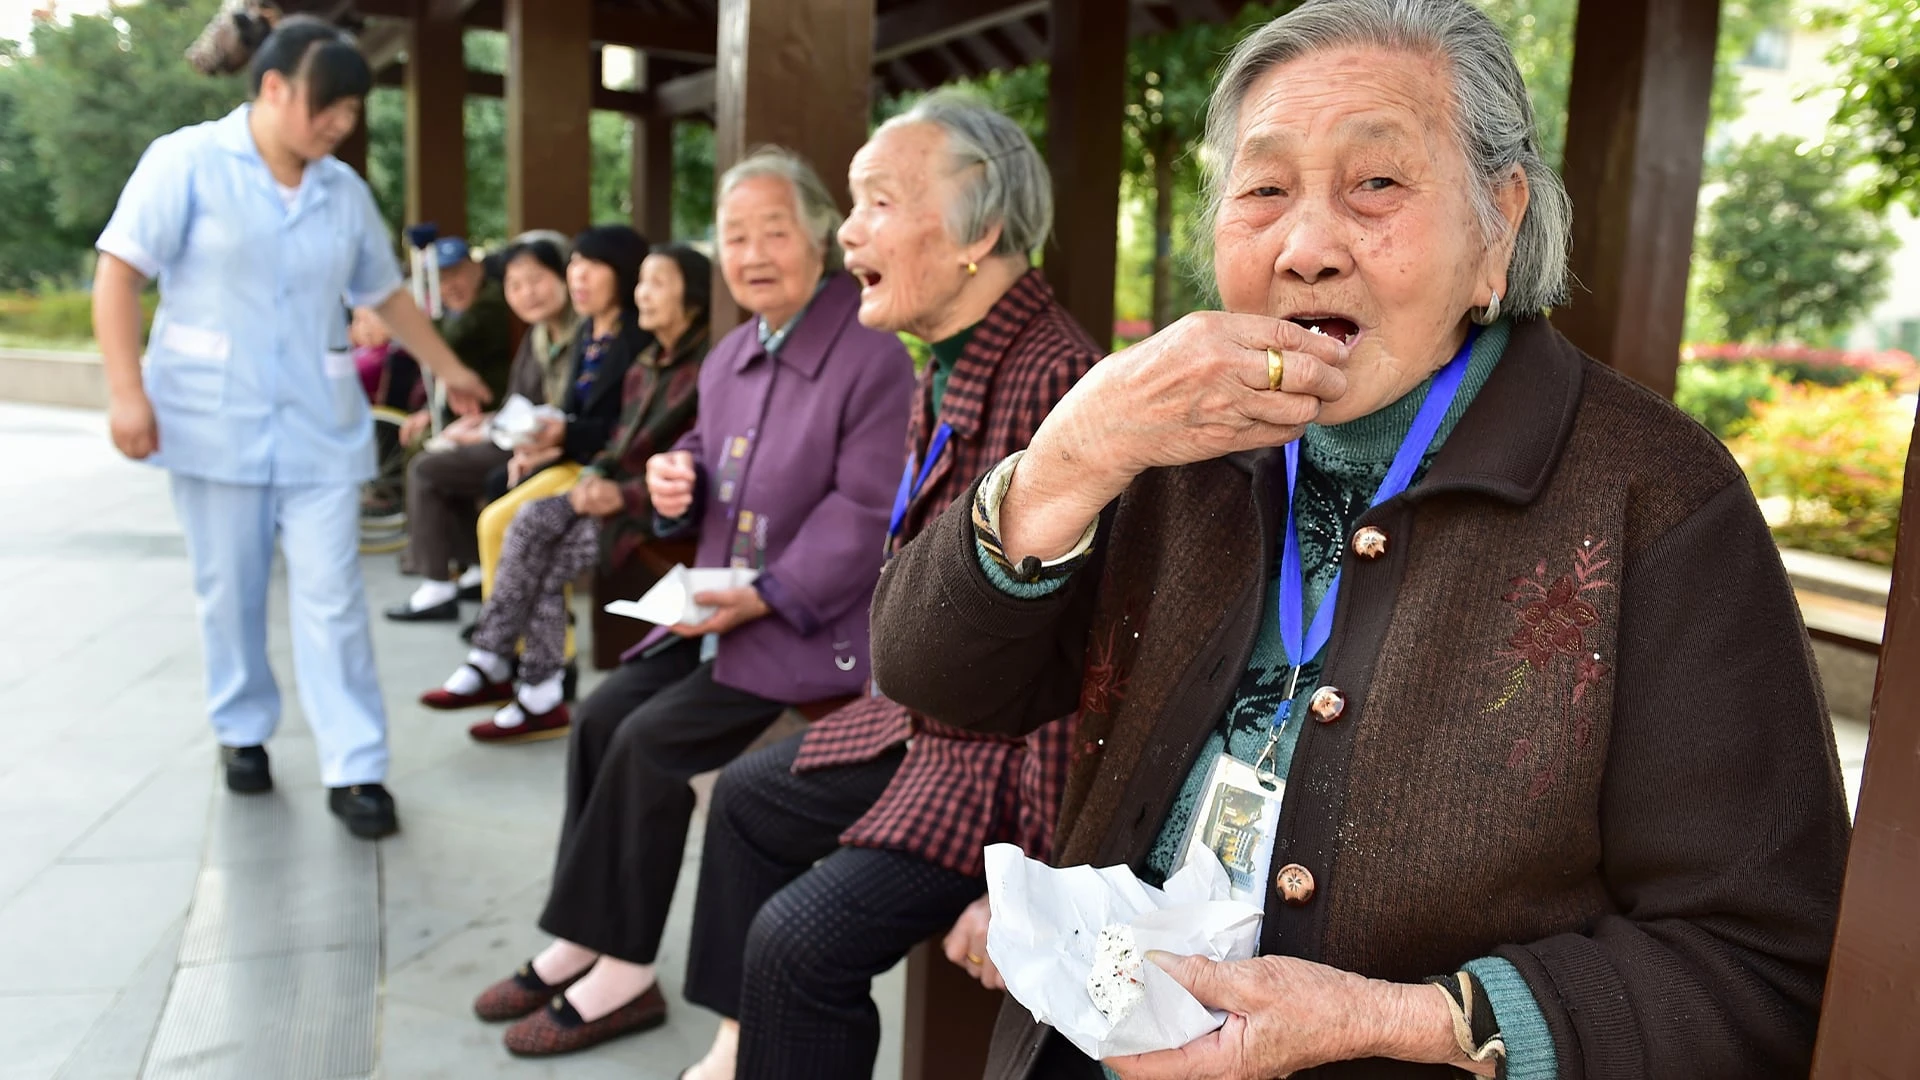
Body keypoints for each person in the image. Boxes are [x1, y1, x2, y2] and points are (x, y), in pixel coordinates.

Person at [869, 2, 1853, 1078]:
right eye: (1263, 189)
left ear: (1500, 222)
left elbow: (1759, 964)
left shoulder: (1654, 496)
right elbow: (937, 680)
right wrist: (1066, 463)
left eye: (1376, 186)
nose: (1305, 248)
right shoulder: (1173, 447)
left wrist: (1409, 1022)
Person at [675, 95, 1099, 1080]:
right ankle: (740, 1047)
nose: (846, 231)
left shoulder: (1058, 381)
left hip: (1003, 761)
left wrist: (1039, 877)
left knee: (796, 944)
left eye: (876, 202)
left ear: (978, 233)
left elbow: (1081, 661)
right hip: (920, 718)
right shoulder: (945, 367)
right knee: (742, 799)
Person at [469, 146, 915, 1058]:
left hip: (808, 628)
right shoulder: (730, 355)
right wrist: (680, 479)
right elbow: (711, 468)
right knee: (598, 718)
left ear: (820, 239)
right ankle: (587, 938)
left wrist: (767, 593)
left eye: (774, 232)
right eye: (735, 235)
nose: (752, 253)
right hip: (719, 608)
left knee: (647, 742)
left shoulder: (871, 355)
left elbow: (866, 510)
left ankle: (626, 972)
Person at [92, 16, 491, 840]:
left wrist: (448, 368)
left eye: (351, 112)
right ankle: (242, 731)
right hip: (210, 421)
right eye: (328, 108)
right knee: (229, 590)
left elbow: (384, 295)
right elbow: (120, 273)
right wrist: (127, 393)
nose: (340, 125)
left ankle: (357, 768)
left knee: (333, 598)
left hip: (317, 426)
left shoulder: (342, 191)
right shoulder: (186, 162)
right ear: (272, 89)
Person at [421, 243, 713, 744]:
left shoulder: (705, 365)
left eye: (657, 283)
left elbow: (700, 464)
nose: (642, 293)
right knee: (529, 522)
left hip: (653, 512)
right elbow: (617, 440)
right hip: (612, 493)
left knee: (540, 544)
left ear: (695, 295)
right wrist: (595, 475)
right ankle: (519, 676)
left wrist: (620, 492)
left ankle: (525, 679)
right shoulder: (647, 360)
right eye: (640, 281)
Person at [385, 231, 580, 622]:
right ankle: (474, 570)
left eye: (537, 280)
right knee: (443, 453)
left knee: (429, 468)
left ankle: (440, 584)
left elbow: (561, 417)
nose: (528, 293)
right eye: (516, 285)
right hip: (521, 440)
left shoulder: (582, 335)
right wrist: (483, 426)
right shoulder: (538, 337)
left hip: (557, 451)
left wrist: (490, 430)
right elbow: (518, 406)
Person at [468, 224, 654, 602]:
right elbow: (568, 413)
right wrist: (539, 448)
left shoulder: (637, 337)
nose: (579, 275)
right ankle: (505, 641)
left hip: (606, 471)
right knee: (496, 512)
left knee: (508, 523)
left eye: (594, 265)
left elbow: (623, 429)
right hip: (573, 461)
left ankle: (511, 645)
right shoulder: (588, 331)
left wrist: (562, 439)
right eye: (575, 263)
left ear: (624, 271)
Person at [395, 235, 515, 446]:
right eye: (441, 279)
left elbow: (454, 340)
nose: (450, 285)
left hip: (497, 412)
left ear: (477, 269)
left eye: (456, 273)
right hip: (464, 413)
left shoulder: (494, 303)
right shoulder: (451, 315)